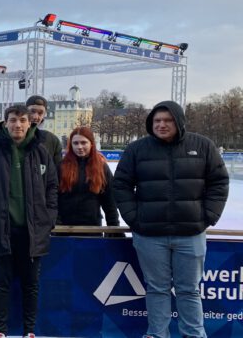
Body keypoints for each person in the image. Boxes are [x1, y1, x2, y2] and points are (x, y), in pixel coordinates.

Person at [113, 101, 229, 338]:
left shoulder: (202, 145)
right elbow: (122, 185)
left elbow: (219, 182)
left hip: (191, 234)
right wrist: (135, 219)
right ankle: (157, 334)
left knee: (189, 290)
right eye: (157, 121)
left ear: (178, 121)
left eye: (167, 120)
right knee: (157, 289)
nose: (161, 125)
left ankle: (194, 334)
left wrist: (208, 216)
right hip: (149, 235)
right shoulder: (137, 149)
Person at [0, 105, 58, 338]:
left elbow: (52, 188)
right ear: (5, 123)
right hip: (0, 229)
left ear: (30, 123)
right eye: (12, 120)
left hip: (32, 232)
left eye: (22, 120)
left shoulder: (40, 152)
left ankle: (29, 331)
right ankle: (1, 330)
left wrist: (48, 218)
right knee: (0, 285)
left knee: (31, 285)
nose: (17, 125)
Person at [56, 127, 121, 237]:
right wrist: (56, 223)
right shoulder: (61, 167)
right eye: (75, 143)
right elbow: (54, 198)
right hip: (64, 229)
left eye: (83, 142)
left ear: (91, 144)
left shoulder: (101, 167)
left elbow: (109, 201)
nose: (79, 147)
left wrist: (113, 227)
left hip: (92, 229)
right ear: (70, 145)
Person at [25, 95, 62, 167]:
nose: (35, 117)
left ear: (44, 115)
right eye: (32, 111)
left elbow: (57, 170)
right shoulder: (12, 138)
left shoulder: (52, 140)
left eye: (40, 113)